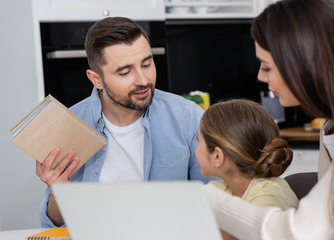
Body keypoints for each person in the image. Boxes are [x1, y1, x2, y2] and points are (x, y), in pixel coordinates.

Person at [36, 17, 217, 228]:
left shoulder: (188, 117)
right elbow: (54, 225)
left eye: (147, 64)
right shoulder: (70, 126)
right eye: (125, 72)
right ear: (96, 79)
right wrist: (59, 192)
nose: (143, 80)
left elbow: (215, 203)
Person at [205, 0, 334, 239]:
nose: (260, 76)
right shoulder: (328, 126)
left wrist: (207, 200)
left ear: (301, 65)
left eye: (267, 67)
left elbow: (298, 232)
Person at [197, 99, 298, 240]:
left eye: (198, 140)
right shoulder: (220, 190)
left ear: (217, 156)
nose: (196, 148)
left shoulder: (270, 197)